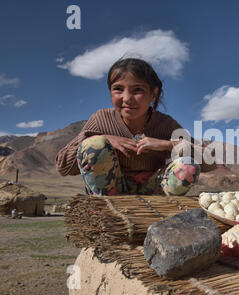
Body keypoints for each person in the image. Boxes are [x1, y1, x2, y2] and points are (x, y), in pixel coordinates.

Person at [56, 58, 215, 196]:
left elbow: (210, 161)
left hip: (154, 191)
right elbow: (62, 166)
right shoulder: (101, 119)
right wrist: (104, 139)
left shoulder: (165, 124)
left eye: (137, 90)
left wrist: (167, 145)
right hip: (110, 193)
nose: (127, 98)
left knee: (188, 165)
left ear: (154, 94)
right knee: (94, 144)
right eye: (118, 89)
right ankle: (109, 207)